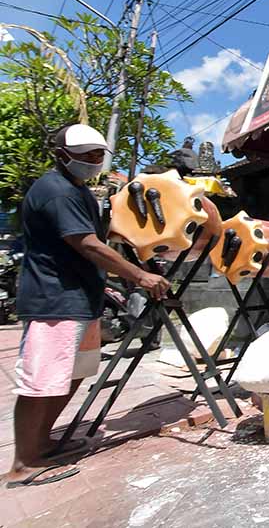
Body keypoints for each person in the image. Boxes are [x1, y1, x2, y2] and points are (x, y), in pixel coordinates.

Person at [3, 124, 170, 489]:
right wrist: (140, 276)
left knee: (72, 373)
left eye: (98, 155)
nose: (94, 161)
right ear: (62, 156)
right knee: (42, 381)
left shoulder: (77, 190)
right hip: (55, 299)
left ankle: (41, 443)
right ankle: (22, 463)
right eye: (86, 156)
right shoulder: (57, 191)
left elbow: (102, 236)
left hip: (79, 297)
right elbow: (89, 244)